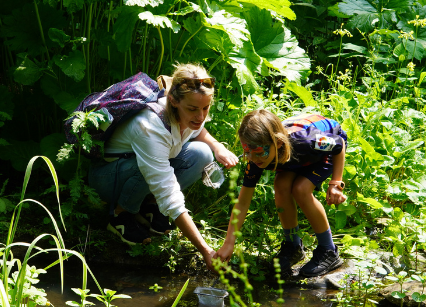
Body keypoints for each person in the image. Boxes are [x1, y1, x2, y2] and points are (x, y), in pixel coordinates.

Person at [88, 63, 239, 269]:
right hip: (108, 178)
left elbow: (197, 130)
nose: (201, 116)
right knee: (149, 169)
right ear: (173, 101)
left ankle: (150, 206)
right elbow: (169, 194)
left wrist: (217, 146)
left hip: (138, 168)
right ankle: (120, 214)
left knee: (203, 153)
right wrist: (206, 250)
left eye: (206, 108)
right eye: (193, 109)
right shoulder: (150, 127)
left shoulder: (190, 112)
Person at [215, 109, 348, 278]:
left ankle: (329, 251)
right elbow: (242, 203)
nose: (253, 159)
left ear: (277, 142)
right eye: (247, 152)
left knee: (300, 189)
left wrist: (336, 183)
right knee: (281, 184)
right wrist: (229, 243)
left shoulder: (306, 140)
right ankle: (293, 247)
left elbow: (338, 145)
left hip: (324, 151)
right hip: (291, 155)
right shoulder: (256, 157)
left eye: (258, 153)